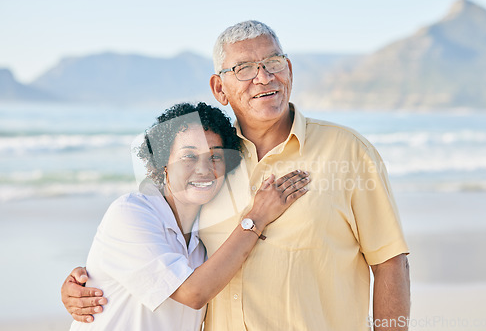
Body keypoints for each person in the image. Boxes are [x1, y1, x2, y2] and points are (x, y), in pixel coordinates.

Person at [62, 21, 411, 330]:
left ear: (288, 69)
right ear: (220, 88)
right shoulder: (212, 163)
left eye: (273, 62)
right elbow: (159, 241)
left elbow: (390, 262)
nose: (263, 77)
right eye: (243, 68)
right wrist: (94, 280)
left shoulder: (348, 151)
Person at [67, 102, 310, 330]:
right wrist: (257, 217)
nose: (204, 169)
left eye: (215, 156)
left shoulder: (204, 238)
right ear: (162, 162)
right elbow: (193, 293)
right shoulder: (131, 213)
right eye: (189, 157)